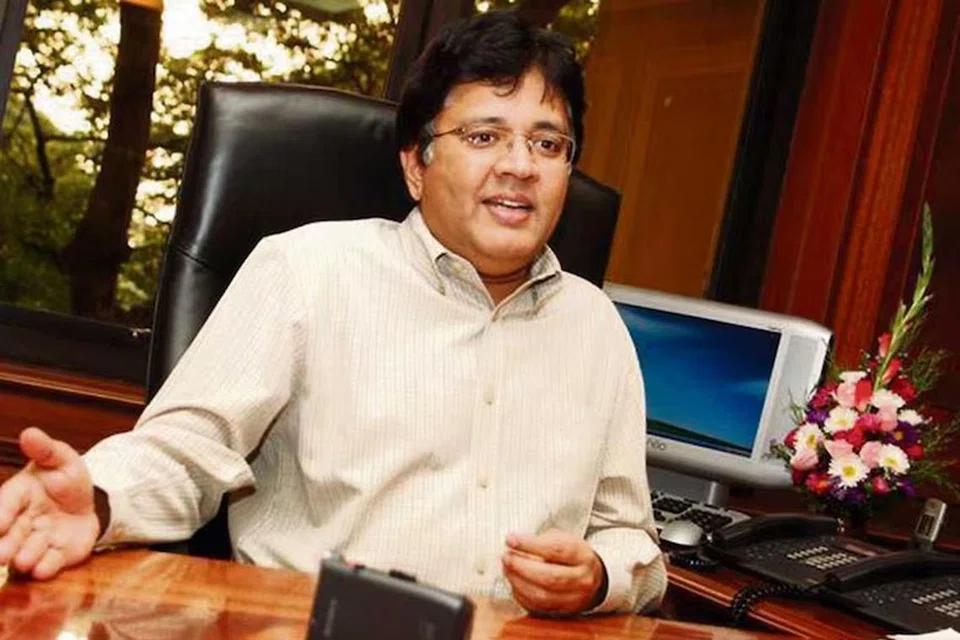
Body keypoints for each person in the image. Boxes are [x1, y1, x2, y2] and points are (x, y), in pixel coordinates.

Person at [0, 11, 665, 615]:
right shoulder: (308, 271)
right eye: (485, 135)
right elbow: (186, 450)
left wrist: (599, 576)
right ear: (416, 165)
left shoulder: (596, 327)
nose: (520, 166)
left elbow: (630, 537)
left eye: (548, 144)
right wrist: (97, 498)